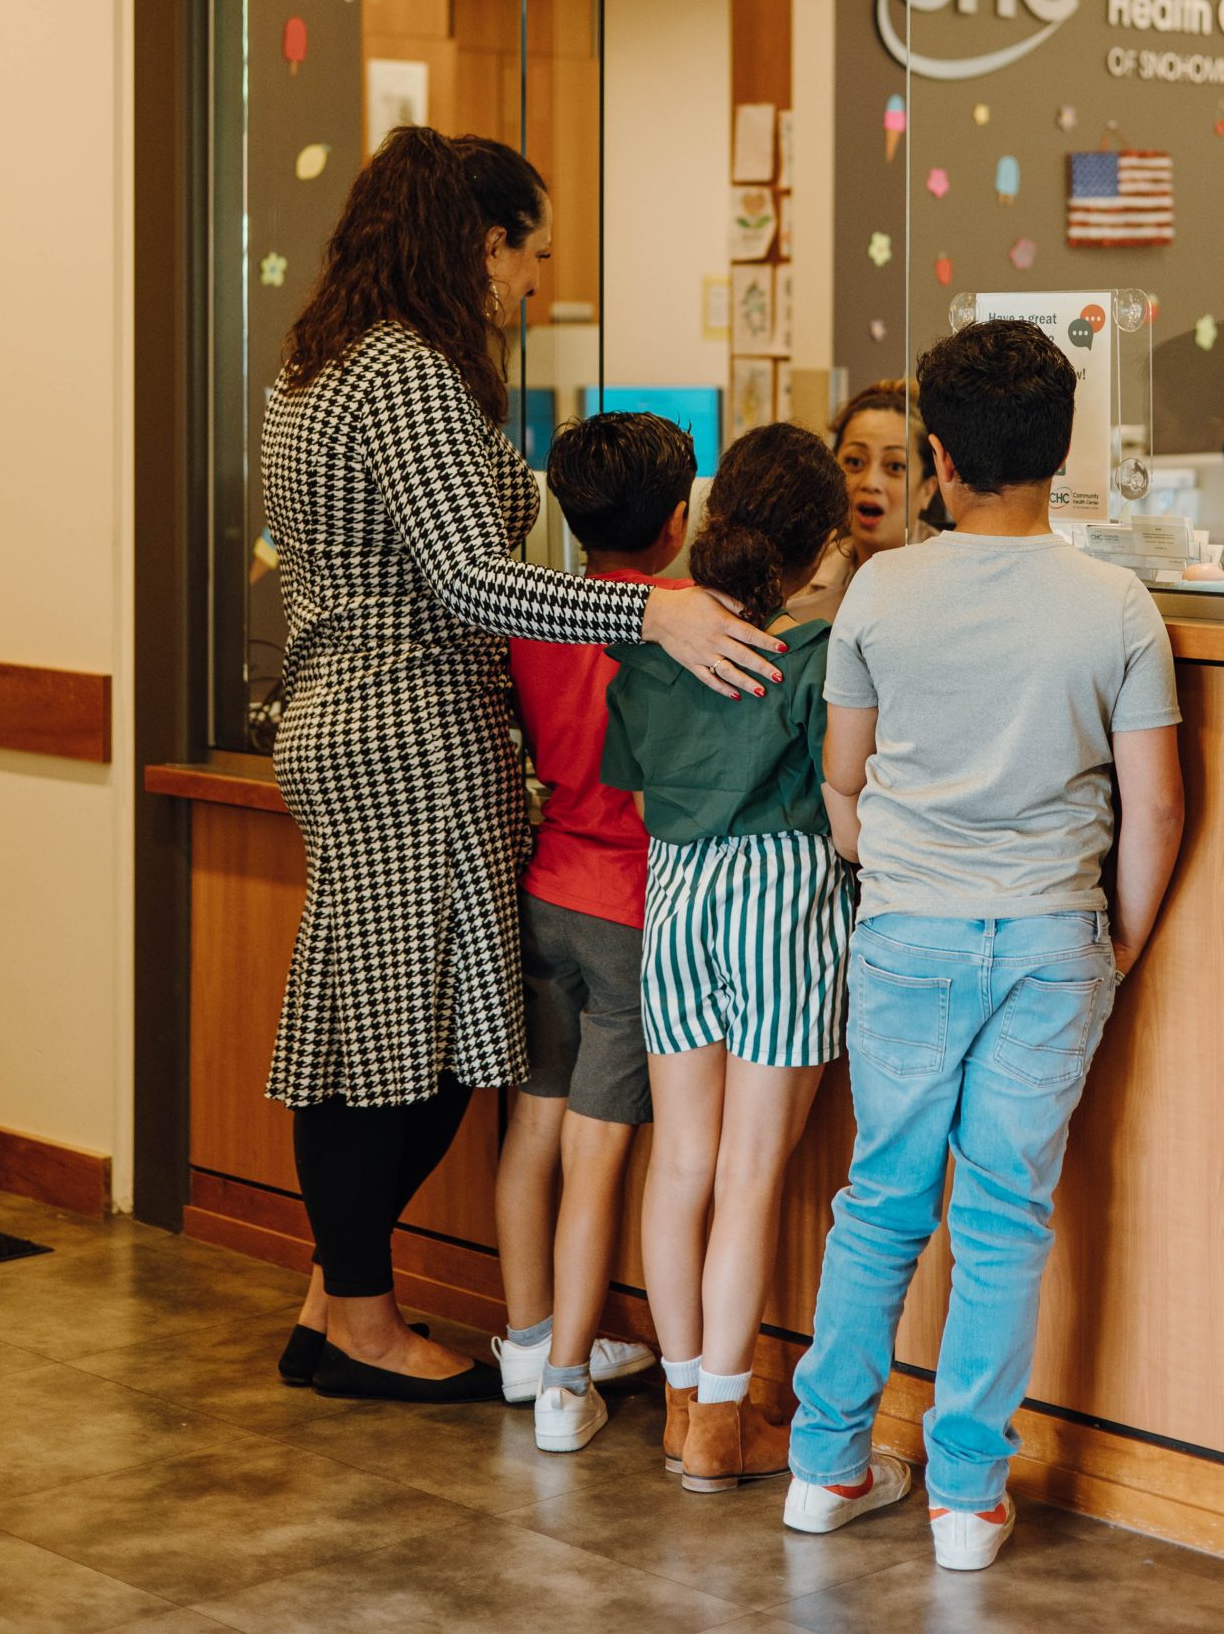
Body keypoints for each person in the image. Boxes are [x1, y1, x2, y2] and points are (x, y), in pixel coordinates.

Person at [261, 127, 785, 1404]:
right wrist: (651, 608)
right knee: (420, 1043)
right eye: (532, 253)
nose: (535, 283)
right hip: (409, 728)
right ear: (481, 244)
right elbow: (463, 575)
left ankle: (334, 1298)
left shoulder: (321, 364)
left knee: (372, 1027)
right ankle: (362, 1323)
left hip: (343, 711)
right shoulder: (408, 374)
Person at [784, 320, 1185, 1567]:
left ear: (940, 458)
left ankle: (824, 1467)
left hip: (909, 929)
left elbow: (843, 771)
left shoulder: (880, 589)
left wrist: (879, 853)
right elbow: (1157, 804)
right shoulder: (1115, 602)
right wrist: (1118, 942)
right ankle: (965, 1497)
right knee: (1005, 1213)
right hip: (1054, 937)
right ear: (1060, 459)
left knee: (882, 1204)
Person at [603, 422, 851, 1495]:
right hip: (780, 894)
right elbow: (849, 794)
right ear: (823, 547)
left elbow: (633, 777)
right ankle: (724, 1420)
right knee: (751, 1175)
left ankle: (677, 1400)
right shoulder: (819, 658)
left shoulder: (649, 648)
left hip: (675, 891)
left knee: (683, 1163)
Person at [493, 412, 697, 1452]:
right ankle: (568, 1383)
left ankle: (528, 1339)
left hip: (546, 884)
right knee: (601, 1143)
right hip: (629, 905)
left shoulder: (538, 614)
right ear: (678, 520)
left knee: (534, 1121)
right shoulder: (684, 616)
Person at [788, 381, 939, 624]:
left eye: (894, 466)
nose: (870, 482)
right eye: (855, 462)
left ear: (928, 490)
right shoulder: (799, 573)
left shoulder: (955, 581)